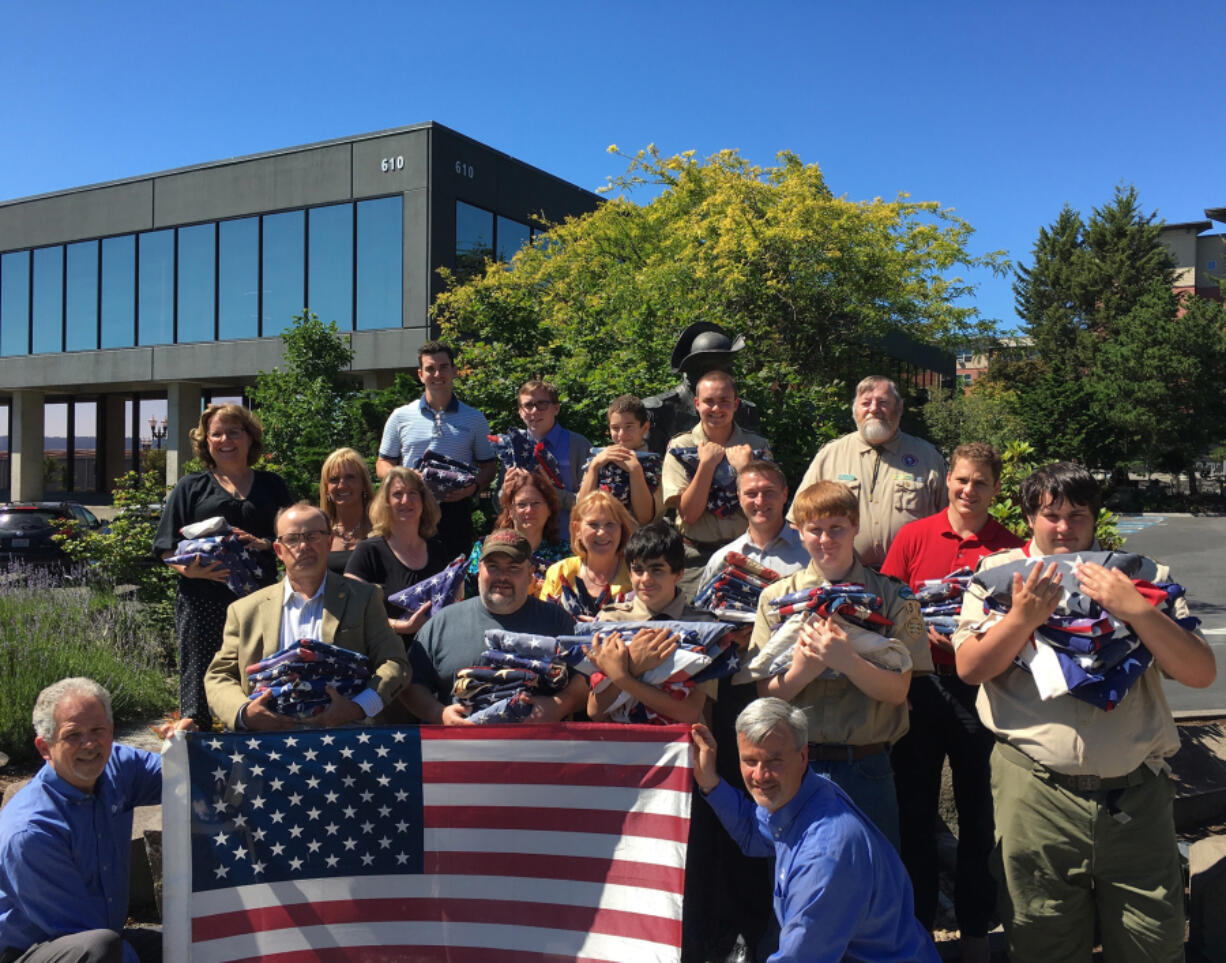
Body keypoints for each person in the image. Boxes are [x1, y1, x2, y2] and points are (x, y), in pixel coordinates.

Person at [952, 462, 1216, 961]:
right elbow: (971, 668)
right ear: (1030, 516)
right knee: (1041, 938)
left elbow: (1200, 673)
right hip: (1038, 795)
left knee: (1152, 943)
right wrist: (1023, 618)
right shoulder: (997, 578)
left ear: (1095, 519)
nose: (1064, 527)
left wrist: (1136, 609)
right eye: (1051, 514)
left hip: (1135, 798)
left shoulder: (1141, 575)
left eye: (1077, 514)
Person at [879, 442, 1023, 959]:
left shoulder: (1010, 549)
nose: (969, 491)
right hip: (921, 686)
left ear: (996, 489)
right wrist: (921, 641)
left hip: (983, 692)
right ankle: (917, 930)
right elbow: (888, 609)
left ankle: (976, 931)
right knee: (914, 814)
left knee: (979, 815)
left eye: (980, 483)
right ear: (948, 482)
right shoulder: (914, 536)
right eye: (961, 481)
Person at [740, 481, 927, 848]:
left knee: (871, 884)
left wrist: (848, 661)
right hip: (794, 768)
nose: (825, 539)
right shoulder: (778, 599)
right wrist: (803, 670)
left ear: (856, 525)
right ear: (799, 532)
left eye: (837, 528)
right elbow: (766, 693)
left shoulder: (891, 596)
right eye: (815, 530)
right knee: (796, 881)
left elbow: (897, 691)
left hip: (866, 767)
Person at [691, 698, 939, 963]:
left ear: (802, 756)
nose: (760, 775)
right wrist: (709, 782)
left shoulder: (824, 856)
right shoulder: (807, 794)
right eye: (750, 761)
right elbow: (754, 832)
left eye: (774, 761)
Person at [0, 678, 193, 963]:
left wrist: (187, 747)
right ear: (44, 747)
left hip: (101, 935)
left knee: (189, 944)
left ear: (111, 731)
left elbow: (186, 776)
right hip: (34, 950)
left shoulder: (118, 766)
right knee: (100, 947)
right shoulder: (32, 833)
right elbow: (81, 934)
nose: (89, 743)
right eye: (73, 735)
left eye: (97, 730)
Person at [204, 503, 409, 731]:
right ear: (279, 550)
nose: (303, 546)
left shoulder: (364, 598)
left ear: (329, 542)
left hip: (345, 739)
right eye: (292, 539)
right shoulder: (244, 611)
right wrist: (244, 712)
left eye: (312, 536)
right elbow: (219, 675)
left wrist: (358, 707)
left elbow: (395, 663)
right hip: (266, 747)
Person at [153, 403, 293, 725]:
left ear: (249, 438)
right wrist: (187, 569)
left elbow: (294, 537)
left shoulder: (273, 486)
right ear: (207, 442)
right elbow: (163, 546)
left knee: (261, 672)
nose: (225, 439)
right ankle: (198, 739)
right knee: (200, 670)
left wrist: (265, 544)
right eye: (216, 434)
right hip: (202, 597)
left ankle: (259, 738)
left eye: (233, 432)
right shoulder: (190, 487)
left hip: (262, 599)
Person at [404, 529, 584, 725]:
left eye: (514, 567)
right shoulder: (442, 623)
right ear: (479, 569)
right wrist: (438, 713)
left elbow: (585, 681)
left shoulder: (558, 621)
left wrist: (558, 706)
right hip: (462, 750)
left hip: (537, 750)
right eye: (493, 566)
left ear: (530, 573)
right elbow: (410, 684)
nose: (502, 576)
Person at [788, 375, 945, 569]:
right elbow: (798, 520)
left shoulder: (928, 457)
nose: (873, 409)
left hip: (908, 577)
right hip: (843, 578)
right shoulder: (830, 455)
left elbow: (949, 521)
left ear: (900, 407)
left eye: (883, 402)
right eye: (866, 403)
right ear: (855, 410)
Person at [375, 341, 498, 560]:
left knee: (455, 580)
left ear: (454, 371)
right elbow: (382, 464)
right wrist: (406, 478)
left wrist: (473, 488)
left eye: (443, 367)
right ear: (421, 374)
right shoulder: (400, 416)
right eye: (430, 368)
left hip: (455, 511)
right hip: (410, 508)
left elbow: (489, 466)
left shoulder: (475, 418)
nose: (437, 373)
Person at [661, 369, 771, 599]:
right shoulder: (681, 447)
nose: (716, 409)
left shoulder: (756, 446)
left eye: (724, 402)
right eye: (709, 401)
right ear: (696, 403)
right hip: (695, 558)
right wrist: (706, 466)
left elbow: (767, 510)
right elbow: (689, 514)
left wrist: (745, 471)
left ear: (736, 404)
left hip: (747, 555)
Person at [345, 467, 450, 639]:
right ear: (386, 502)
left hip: (435, 649)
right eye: (397, 494)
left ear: (423, 501)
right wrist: (400, 626)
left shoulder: (437, 549)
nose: (406, 500)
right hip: (386, 652)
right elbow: (350, 608)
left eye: (413, 493)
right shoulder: (368, 551)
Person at [642, 322, 761, 454]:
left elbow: (758, 461)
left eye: (728, 367)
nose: (729, 374)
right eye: (721, 368)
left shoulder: (746, 410)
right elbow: (647, 465)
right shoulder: (660, 411)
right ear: (698, 370)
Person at [699, 459, 809, 587]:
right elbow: (704, 605)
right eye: (751, 494)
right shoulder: (722, 559)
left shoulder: (814, 551)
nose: (760, 501)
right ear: (739, 498)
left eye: (769, 492)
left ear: (784, 494)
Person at [503, 379, 592, 534]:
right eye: (528, 405)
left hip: (567, 540)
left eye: (542, 404)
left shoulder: (578, 445)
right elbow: (499, 506)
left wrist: (550, 493)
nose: (535, 411)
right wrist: (505, 492)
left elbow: (591, 504)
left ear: (556, 408)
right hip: (523, 543)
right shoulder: (512, 445)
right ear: (520, 411)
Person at [538, 490, 637, 619]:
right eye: (593, 524)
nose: (602, 532)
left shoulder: (637, 574)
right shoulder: (559, 572)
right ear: (577, 529)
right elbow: (543, 623)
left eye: (610, 524)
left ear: (621, 529)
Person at [466, 469, 570, 591]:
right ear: (510, 510)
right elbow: (469, 593)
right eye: (521, 504)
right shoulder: (484, 548)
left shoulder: (566, 554)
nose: (529, 510)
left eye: (536, 503)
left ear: (549, 510)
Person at [576, 394, 662, 525]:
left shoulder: (653, 464)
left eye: (629, 426)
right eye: (615, 428)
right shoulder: (598, 458)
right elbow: (582, 509)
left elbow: (645, 517)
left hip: (634, 539)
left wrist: (635, 471)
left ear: (644, 428)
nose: (622, 434)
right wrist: (593, 468)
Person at [319, 447, 374, 577]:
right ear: (326, 488)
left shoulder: (382, 528)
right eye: (334, 479)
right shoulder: (319, 532)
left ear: (364, 484)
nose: (342, 485)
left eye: (350, 477)